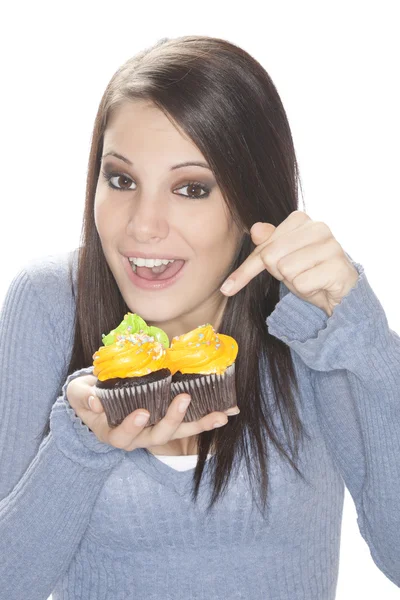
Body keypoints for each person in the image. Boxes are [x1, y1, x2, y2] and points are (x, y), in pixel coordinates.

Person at [0, 35, 399, 600]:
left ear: (249, 202)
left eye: (192, 188)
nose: (143, 225)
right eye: (121, 180)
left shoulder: (311, 319)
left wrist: (366, 340)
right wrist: (80, 445)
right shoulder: (48, 303)